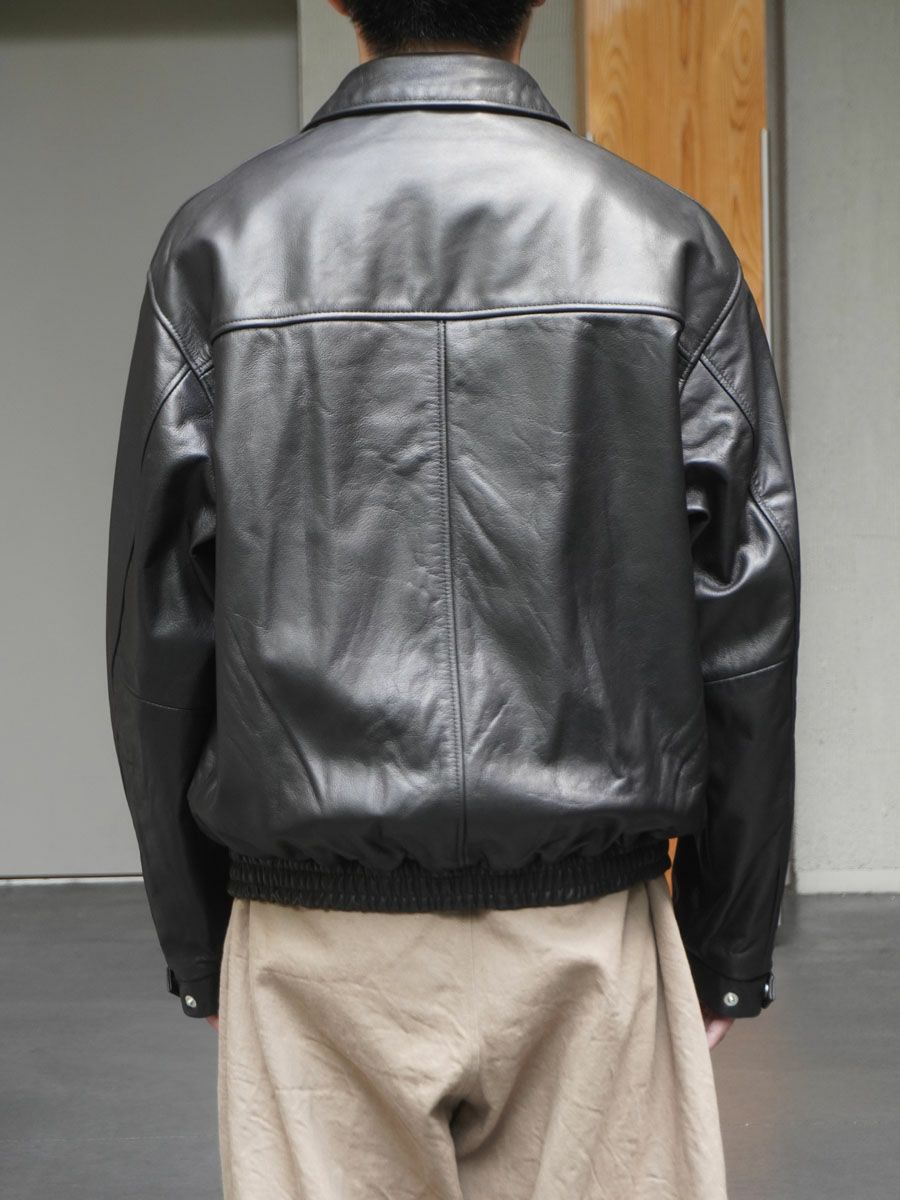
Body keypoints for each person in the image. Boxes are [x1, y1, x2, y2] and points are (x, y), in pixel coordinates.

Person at [105, 1, 800, 1196]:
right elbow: (747, 624)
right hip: (586, 930)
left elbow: (160, 630)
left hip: (315, 943)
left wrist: (197, 937)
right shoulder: (666, 243)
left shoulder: (218, 246)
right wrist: (726, 943)